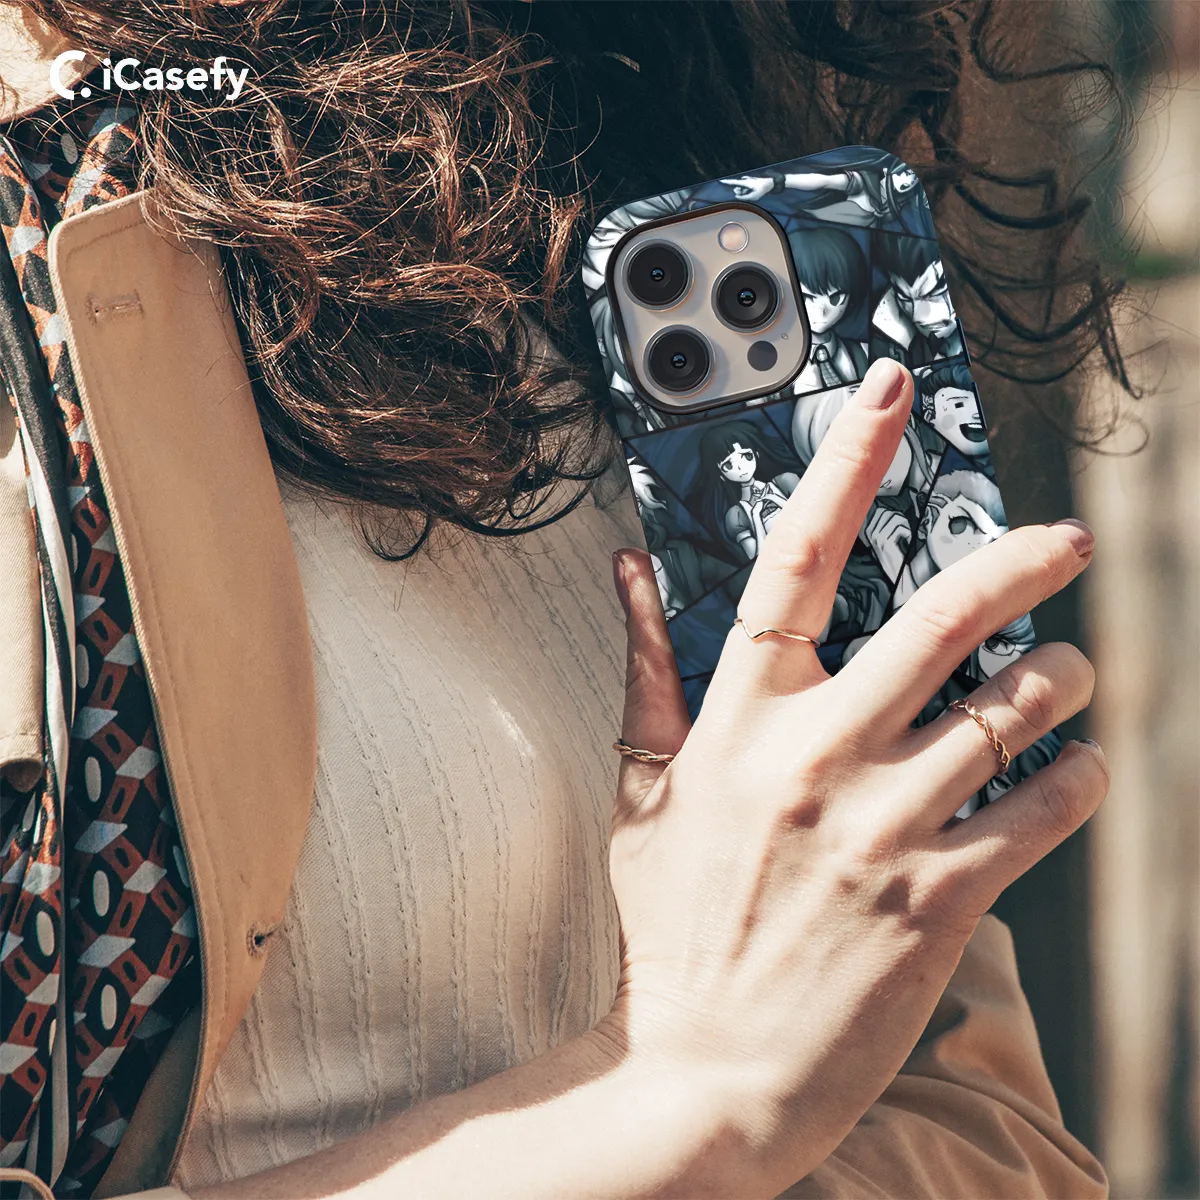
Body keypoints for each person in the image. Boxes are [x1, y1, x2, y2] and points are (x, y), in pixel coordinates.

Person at [0, 3, 1126, 1198]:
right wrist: (682, 1090)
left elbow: (990, 1138)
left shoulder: (625, 177)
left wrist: (737, 1093)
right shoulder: (47, 259)